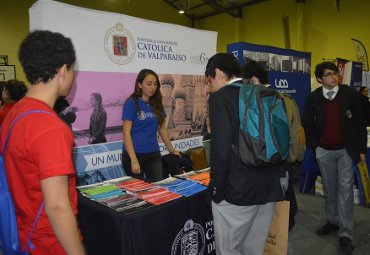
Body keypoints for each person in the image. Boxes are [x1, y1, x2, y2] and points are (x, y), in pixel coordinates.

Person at [0, 30, 85, 255]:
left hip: (21, 233)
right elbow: (57, 207)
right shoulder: (51, 128)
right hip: (50, 243)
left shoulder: (14, 113)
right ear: (63, 71)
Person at [205, 53, 286, 255]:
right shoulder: (262, 92)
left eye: (209, 80)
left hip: (236, 192)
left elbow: (221, 152)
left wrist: (216, 191)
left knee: (229, 249)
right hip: (268, 187)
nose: (211, 85)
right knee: (254, 249)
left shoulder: (220, 98)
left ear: (217, 73)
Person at [302, 61, 367, 254]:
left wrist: (361, 149)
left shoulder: (349, 94)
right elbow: (307, 123)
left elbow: (360, 122)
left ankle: (345, 233)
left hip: (346, 151)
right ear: (320, 79)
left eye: (336, 73)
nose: (334, 76)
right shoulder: (313, 98)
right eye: (329, 74)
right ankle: (332, 221)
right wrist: (315, 146)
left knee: (345, 190)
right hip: (324, 151)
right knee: (330, 188)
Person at [121, 69, 180, 182]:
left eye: (155, 84)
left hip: (153, 153)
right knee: (139, 193)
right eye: (149, 83)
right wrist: (133, 160)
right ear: (140, 85)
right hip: (134, 155)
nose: (153, 87)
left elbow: (162, 129)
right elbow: (126, 133)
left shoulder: (156, 104)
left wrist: (171, 150)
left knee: (158, 188)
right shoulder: (131, 103)